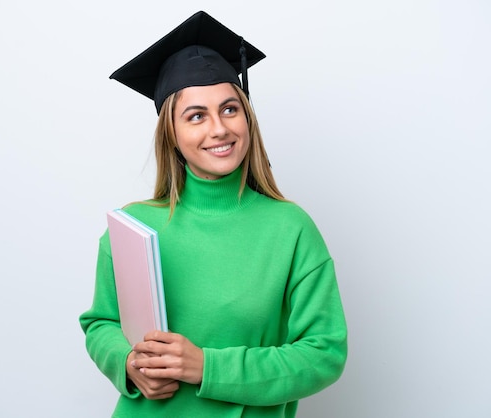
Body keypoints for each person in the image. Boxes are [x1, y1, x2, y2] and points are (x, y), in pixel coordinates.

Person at [79, 11, 347, 417]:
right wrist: (129, 366)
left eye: (229, 109)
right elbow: (102, 323)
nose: (219, 129)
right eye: (196, 116)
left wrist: (207, 367)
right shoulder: (134, 227)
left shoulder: (290, 230)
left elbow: (324, 354)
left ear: (247, 117)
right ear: (172, 133)